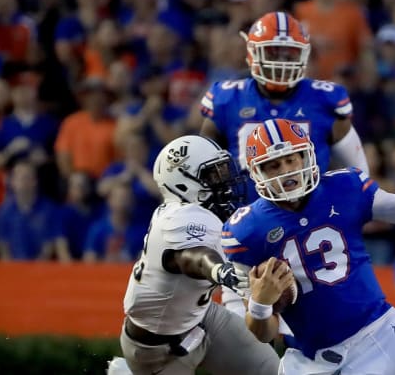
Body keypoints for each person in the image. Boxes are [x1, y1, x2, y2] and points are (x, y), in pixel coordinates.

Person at [223, 119, 395, 375]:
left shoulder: (345, 187)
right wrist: (260, 304)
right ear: (256, 172)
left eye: (291, 159)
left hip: (383, 329)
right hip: (318, 361)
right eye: (273, 165)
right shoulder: (247, 231)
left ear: (306, 156)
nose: (286, 171)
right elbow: (263, 332)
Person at [115, 135, 280, 375]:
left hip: (202, 318)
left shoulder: (205, 213)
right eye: (213, 175)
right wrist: (219, 270)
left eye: (223, 171)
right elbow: (192, 258)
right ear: (182, 183)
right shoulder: (178, 216)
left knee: (271, 369)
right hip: (157, 350)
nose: (224, 181)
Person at [199, 11, 369, 191]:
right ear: (252, 53)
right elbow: (202, 164)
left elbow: (358, 172)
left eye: (289, 55)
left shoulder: (326, 100)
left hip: (309, 214)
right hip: (242, 212)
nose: (281, 62)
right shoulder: (227, 99)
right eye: (272, 53)